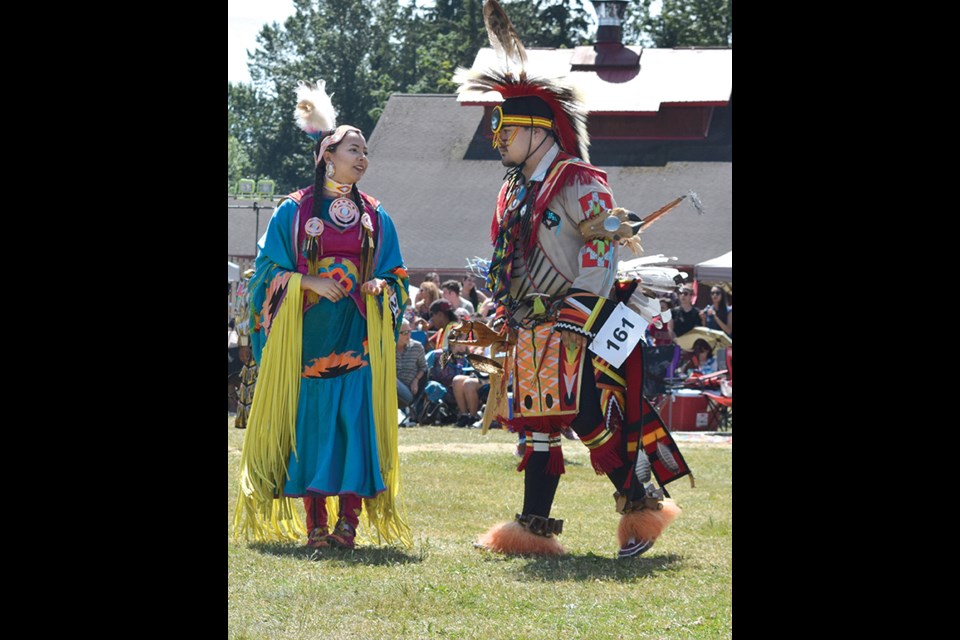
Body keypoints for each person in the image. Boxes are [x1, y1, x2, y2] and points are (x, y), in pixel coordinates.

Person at [454, 3, 684, 559]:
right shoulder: (515, 190)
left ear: (537, 128)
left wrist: (579, 316)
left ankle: (640, 505)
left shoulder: (578, 181)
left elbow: (601, 250)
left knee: (585, 411)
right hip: (532, 322)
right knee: (540, 420)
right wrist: (503, 309)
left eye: (505, 127)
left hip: (578, 317)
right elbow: (510, 257)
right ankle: (534, 527)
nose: (497, 138)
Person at [233, 79, 411, 551]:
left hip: (356, 336)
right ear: (328, 154)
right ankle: (315, 524)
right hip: (307, 337)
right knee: (311, 426)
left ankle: (347, 523)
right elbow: (265, 271)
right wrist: (306, 281)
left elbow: (396, 272)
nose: (363, 157)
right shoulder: (294, 211)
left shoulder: (376, 215)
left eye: (366, 150)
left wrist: (381, 284)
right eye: (354, 148)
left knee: (354, 423)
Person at [233, 268, 259, 429]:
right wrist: (243, 343)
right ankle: (251, 422)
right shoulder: (251, 278)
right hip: (254, 342)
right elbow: (241, 312)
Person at [396, 318, 427, 412]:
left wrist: (416, 380)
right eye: (404, 332)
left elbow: (424, 367)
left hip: (408, 392)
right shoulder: (387, 349)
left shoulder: (417, 347)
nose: (408, 335)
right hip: (388, 389)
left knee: (390, 378)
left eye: (409, 331)